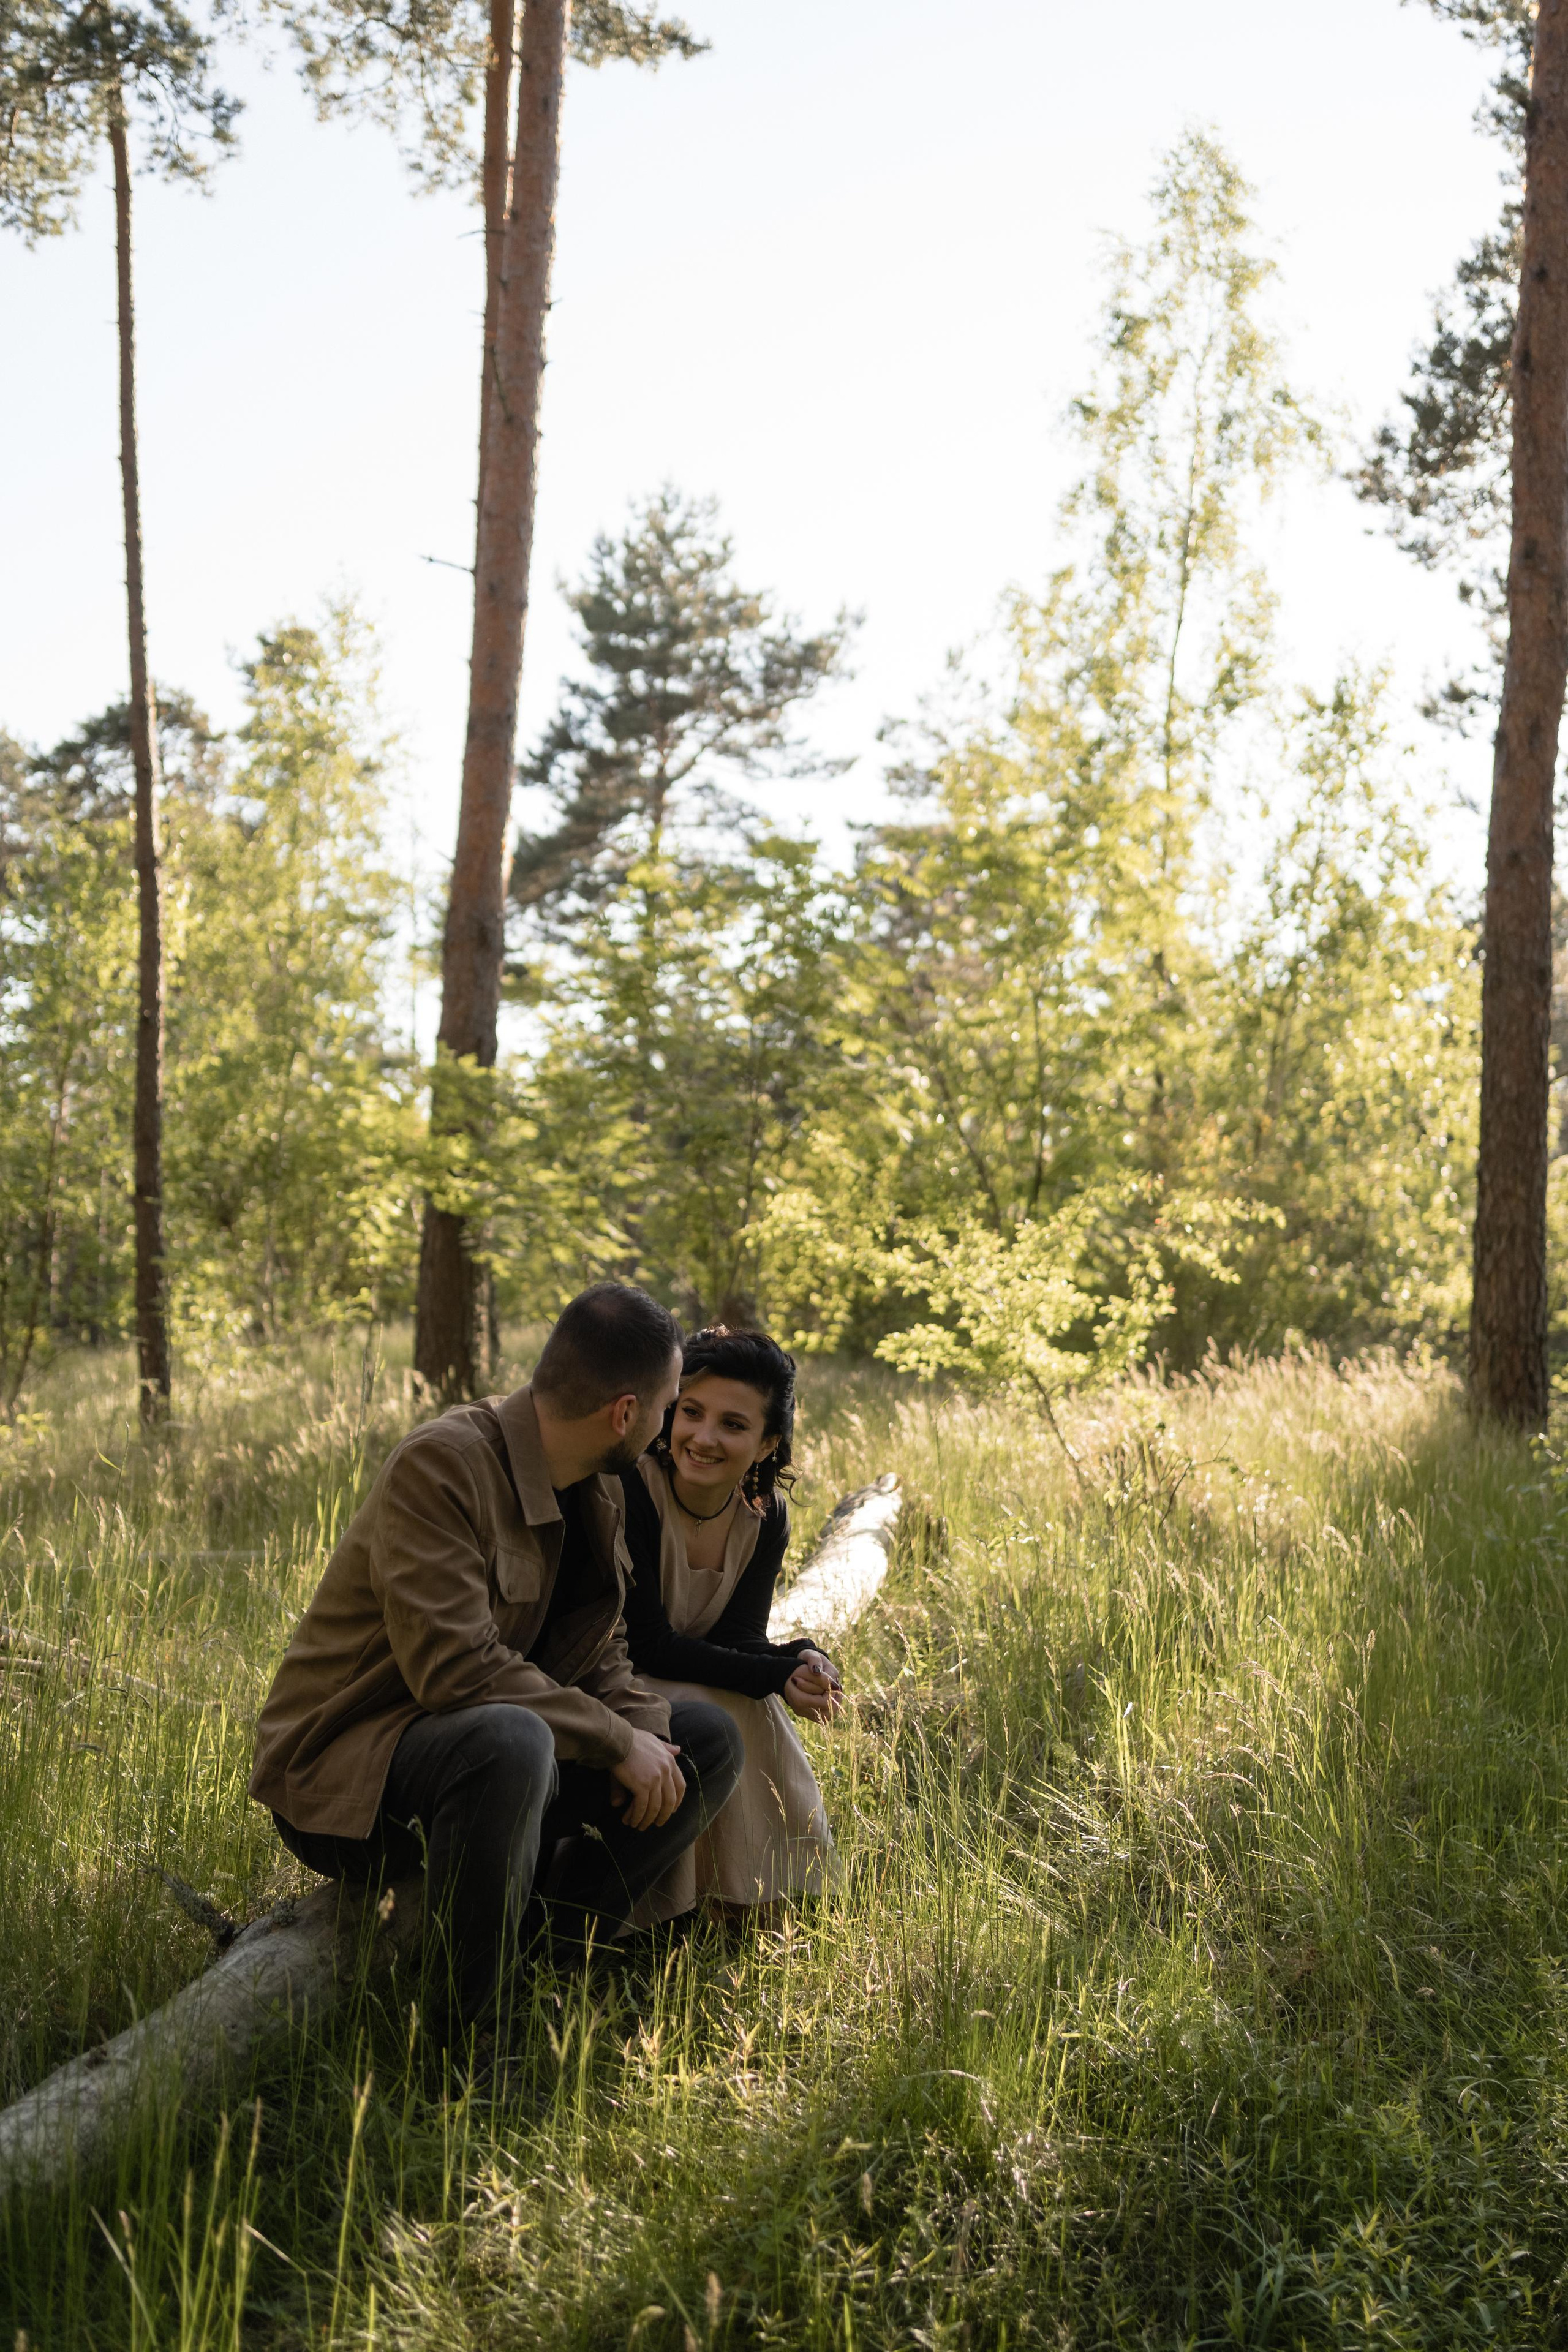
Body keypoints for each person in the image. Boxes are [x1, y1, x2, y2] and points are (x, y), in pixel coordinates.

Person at [247, 1282, 744, 2027]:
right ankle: (473, 2035)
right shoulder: (442, 1465)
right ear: (624, 1413)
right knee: (511, 1739)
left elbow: (600, 1644)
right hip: (353, 1774)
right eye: (669, 1405)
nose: (669, 1424)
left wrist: (646, 1732)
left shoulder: (599, 1482)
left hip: (504, 1763)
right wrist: (614, 1742)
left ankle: (546, 1966)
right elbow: (454, 1670)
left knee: (704, 1741)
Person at [616, 1324, 842, 1924]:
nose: (703, 1437)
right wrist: (774, 1675)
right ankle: (667, 1908)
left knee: (754, 1703)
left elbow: (735, 1637)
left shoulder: (763, 1515)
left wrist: (797, 1656)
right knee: (728, 1702)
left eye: (733, 1425)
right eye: (691, 1412)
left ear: (767, 1443)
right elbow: (648, 1644)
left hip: (678, 1671)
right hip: (615, 1680)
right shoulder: (632, 1487)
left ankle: (758, 1897)